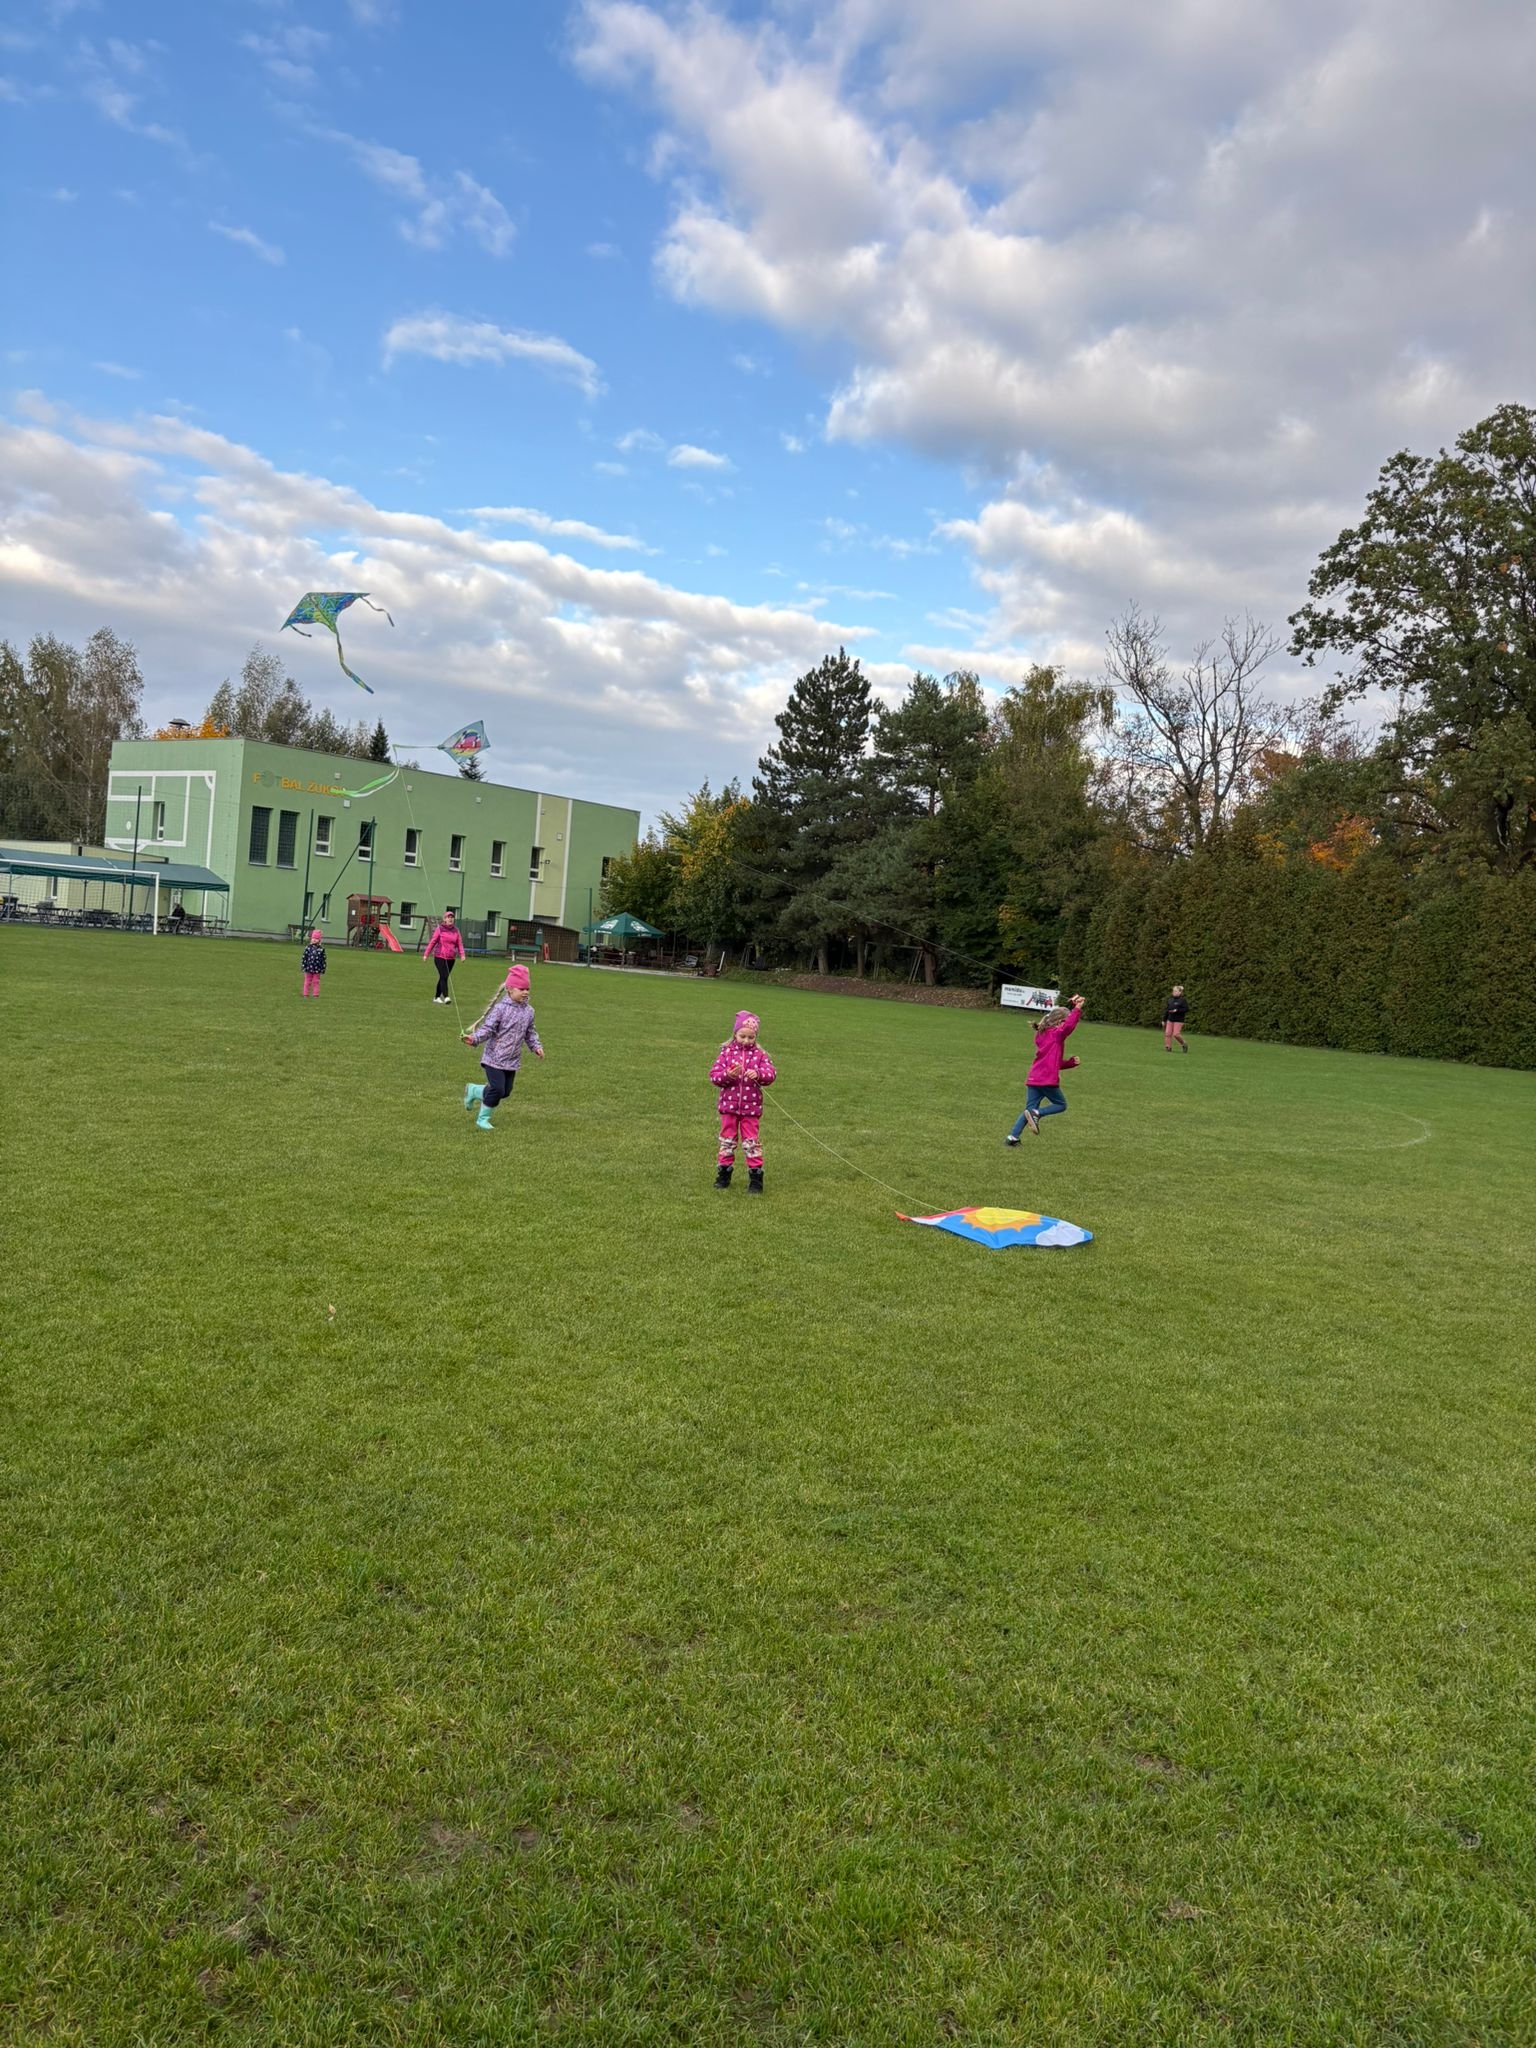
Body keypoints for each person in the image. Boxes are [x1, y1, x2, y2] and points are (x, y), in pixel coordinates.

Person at [461, 962, 544, 1132]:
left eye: (527, 989)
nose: (525, 992)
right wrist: (474, 1039)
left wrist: (536, 1046)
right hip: (494, 1058)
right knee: (497, 1089)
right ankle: (483, 1119)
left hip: (512, 1060)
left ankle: (474, 1091)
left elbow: (530, 1032)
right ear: (510, 989)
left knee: (505, 1092)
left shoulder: (529, 1011)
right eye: (521, 989)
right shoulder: (500, 1009)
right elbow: (487, 1028)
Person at [710, 1010, 776, 1193]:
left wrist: (759, 1074)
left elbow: (771, 1074)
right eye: (742, 1036)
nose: (746, 1040)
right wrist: (728, 1075)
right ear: (735, 1034)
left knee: (751, 1143)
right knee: (727, 1141)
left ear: (755, 1037)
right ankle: (723, 1175)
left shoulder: (760, 1055)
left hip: (751, 1109)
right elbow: (714, 1076)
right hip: (729, 1108)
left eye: (751, 1037)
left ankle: (756, 1179)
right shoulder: (726, 1053)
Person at [1006, 995, 1085, 1142]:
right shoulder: (1056, 1035)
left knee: (1029, 1110)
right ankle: (1038, 1114)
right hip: (1047, 1079)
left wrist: (1070, 1063)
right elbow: (1069, 1026)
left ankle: (1012, 1137)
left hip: (1034, 1078)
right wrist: (1078, 1008)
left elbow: (1054, 1062)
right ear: (1060, 1022)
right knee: (1061, 1105)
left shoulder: (1042, 1035)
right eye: (1065, 1021)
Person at [424, 907, 465, 1003]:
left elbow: (459, 944)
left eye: (452, 917)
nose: (450, 919)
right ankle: (446, 997)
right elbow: (433, 942)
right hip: (439, 957)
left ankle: (436, 997)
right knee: (443, 976)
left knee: (444, 977)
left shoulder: (456, 930)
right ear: (444, 919)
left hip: (451, 958)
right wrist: (426, 954)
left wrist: (462, 955)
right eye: (448, 917)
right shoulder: (440, 929)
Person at [300, 927, 326, 998]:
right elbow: (304, 958)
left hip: (317, 969)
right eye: (313, 938)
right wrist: (303, 966)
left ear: (319, 940)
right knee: (307, 981)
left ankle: (315, 994)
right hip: (308, 968)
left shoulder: (321, 949)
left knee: (316, 982)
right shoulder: (308, 948)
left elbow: (323, 960)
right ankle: (305, 994)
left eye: (316, 938)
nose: (314, 939)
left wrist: (323, 969)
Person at [1163, 983, 1189, 1052]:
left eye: (1176, 991)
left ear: (1180, 992)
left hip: (1178, 1020)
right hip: (1170, 1019)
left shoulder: (1182, 1000)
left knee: (1176, 1034)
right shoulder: (1170, 1000)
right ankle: (1168, 1047)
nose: (1174, 992)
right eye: (1173, 991)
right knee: (1167, 1033)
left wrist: (1177, 1010)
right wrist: (1164, 1020)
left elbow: (1186, 1009)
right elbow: (1167, 1010)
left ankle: (1183, 1044)